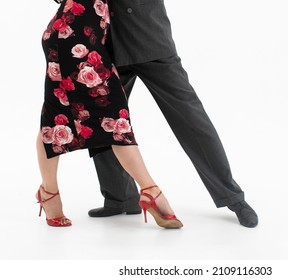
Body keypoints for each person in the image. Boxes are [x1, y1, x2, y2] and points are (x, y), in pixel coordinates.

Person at [87, 0, 259, 228]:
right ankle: (119, 197)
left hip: (149, 37)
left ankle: (233, 198)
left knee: (191, 119)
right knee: (103, 121)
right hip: (105, 43)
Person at [37, 0, 182, 229]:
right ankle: (150, 191)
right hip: (71, 38)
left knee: (70, 118)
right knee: (105, 120)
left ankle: (49, 193)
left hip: (89, 38)